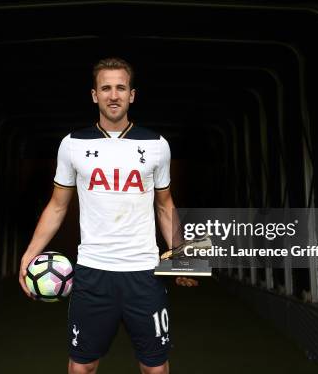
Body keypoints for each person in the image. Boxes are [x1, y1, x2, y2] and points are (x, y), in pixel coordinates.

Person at [19, 57, 197, 374]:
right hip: (92, 273)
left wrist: (184, 256)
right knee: (81, 367)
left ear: (132, 95)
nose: (113, 95)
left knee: (155, 368)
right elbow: (57, 206)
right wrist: (29, 255)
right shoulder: (71, 144)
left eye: (120, 88)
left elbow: (165, 205)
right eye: (106, 88)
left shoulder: (157, 144)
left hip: (143, 272)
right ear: (94, 95)